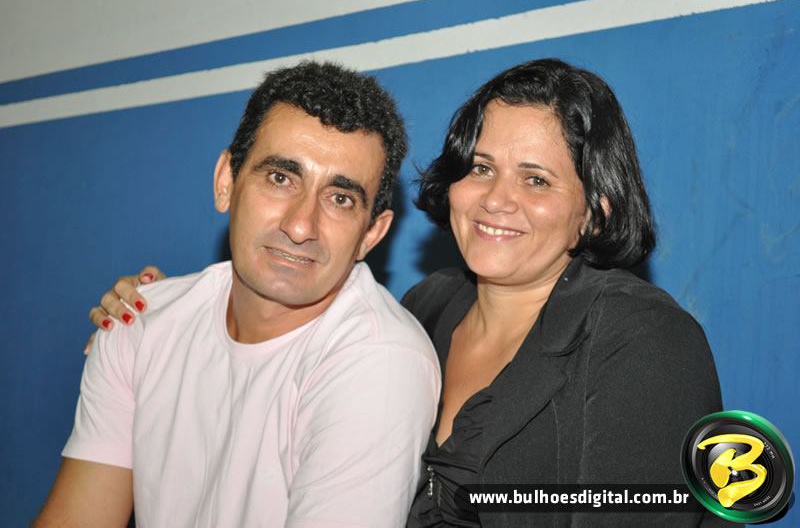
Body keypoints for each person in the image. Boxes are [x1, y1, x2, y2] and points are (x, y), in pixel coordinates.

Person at [85, 59, 725, 526]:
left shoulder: (645, 342)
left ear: (593, 214)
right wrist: (159, 310)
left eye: (536, 180)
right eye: (481, 168)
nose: (496, 199)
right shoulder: (427, 308)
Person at [35, 61, 440, 527]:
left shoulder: (379, 362)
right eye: (281, 178)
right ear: (226, 181)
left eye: (340, 198)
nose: (301, 226)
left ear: (371, 234)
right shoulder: (140, 323)